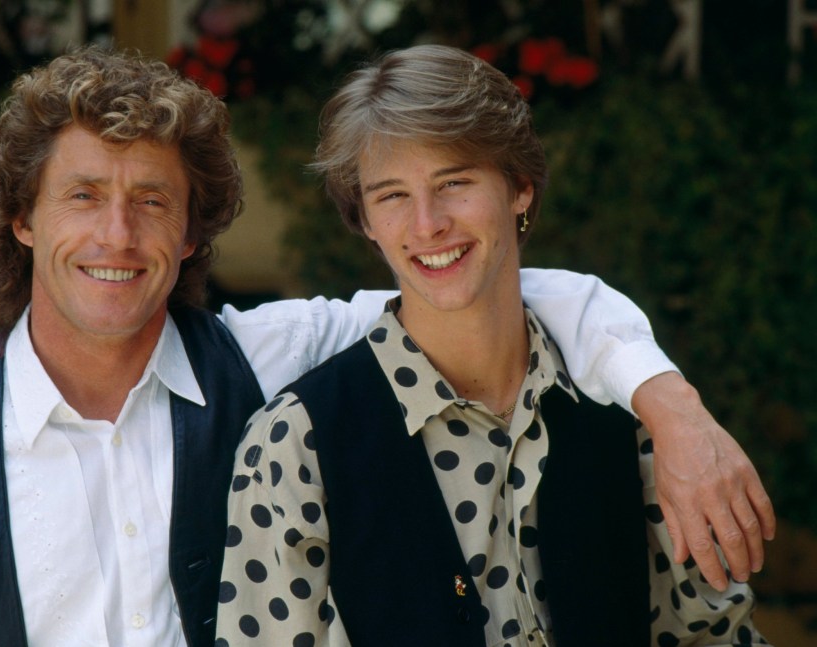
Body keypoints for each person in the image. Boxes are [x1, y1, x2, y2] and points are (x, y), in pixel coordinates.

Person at [0, 46, 770, 647]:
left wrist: (668, 405)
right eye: (81, 195)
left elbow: (495, 289)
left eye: (153, 200)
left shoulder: (270, 360)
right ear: (20, 219)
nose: (117, 235)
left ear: (193, 232)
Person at [216, 45, 770, 646]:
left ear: (520, 189)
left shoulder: (625, 411)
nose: (427, 224)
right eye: (392, 195)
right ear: (366, 222)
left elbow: (709, 636)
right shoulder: (294, 445)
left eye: (454, 182)